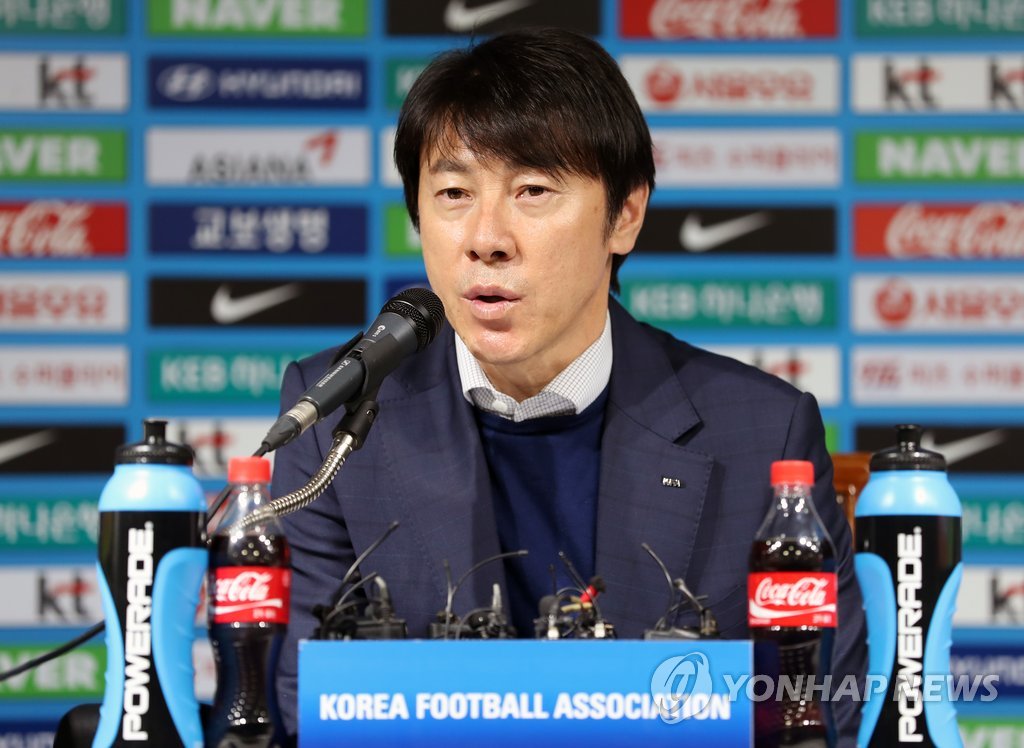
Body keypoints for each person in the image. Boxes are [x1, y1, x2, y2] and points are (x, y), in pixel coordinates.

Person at [271, 27, 866, 743]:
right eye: (454, 192)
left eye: (533, 190)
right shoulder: (339, 418)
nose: (486, 239)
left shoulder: (762, 433)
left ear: (625, 216)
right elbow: (301, 707)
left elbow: (816, 711)